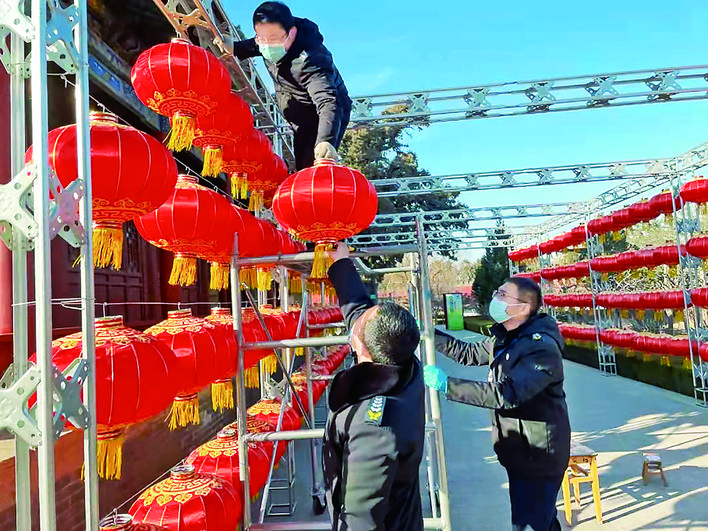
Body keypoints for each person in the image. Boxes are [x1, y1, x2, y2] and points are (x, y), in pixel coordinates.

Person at [424, 277, 571, 531]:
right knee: (539, 519)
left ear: (523, 307)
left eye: (503, 295)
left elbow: (507, 394)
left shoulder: (541, 349)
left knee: (531, 522)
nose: (495, 299)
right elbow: (468, 353)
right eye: (497, 292)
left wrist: (449, 385)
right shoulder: (508, 337)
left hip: (538, 453)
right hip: (519, 450)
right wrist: (428, 334)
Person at [322, 242, 425, 531]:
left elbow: (361, 517)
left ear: (362, 348)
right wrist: (341, 262)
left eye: (358, 327)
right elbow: (359, 311)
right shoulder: (405, 362)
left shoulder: (374, 425)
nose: (354, 324)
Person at [233, 1, 352, 170]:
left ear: (292, 33)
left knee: (314, 164)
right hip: (297, 108)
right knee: (302, 164)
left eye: (273, 39)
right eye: (261, 38)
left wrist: (326, 140)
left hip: (322, 114)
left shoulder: (312, 60)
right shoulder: (268, 40)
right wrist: (232, 47)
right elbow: (253, 46)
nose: (267, 46)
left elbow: (328, 101)